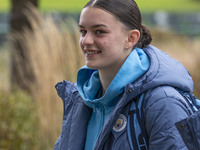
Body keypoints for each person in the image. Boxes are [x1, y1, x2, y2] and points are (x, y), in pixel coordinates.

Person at [54, 0, 195, 149]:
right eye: (83, 31)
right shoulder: (80, 99)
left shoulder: (162, 103)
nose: (86, 41)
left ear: (131, 38)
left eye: (99, 31)